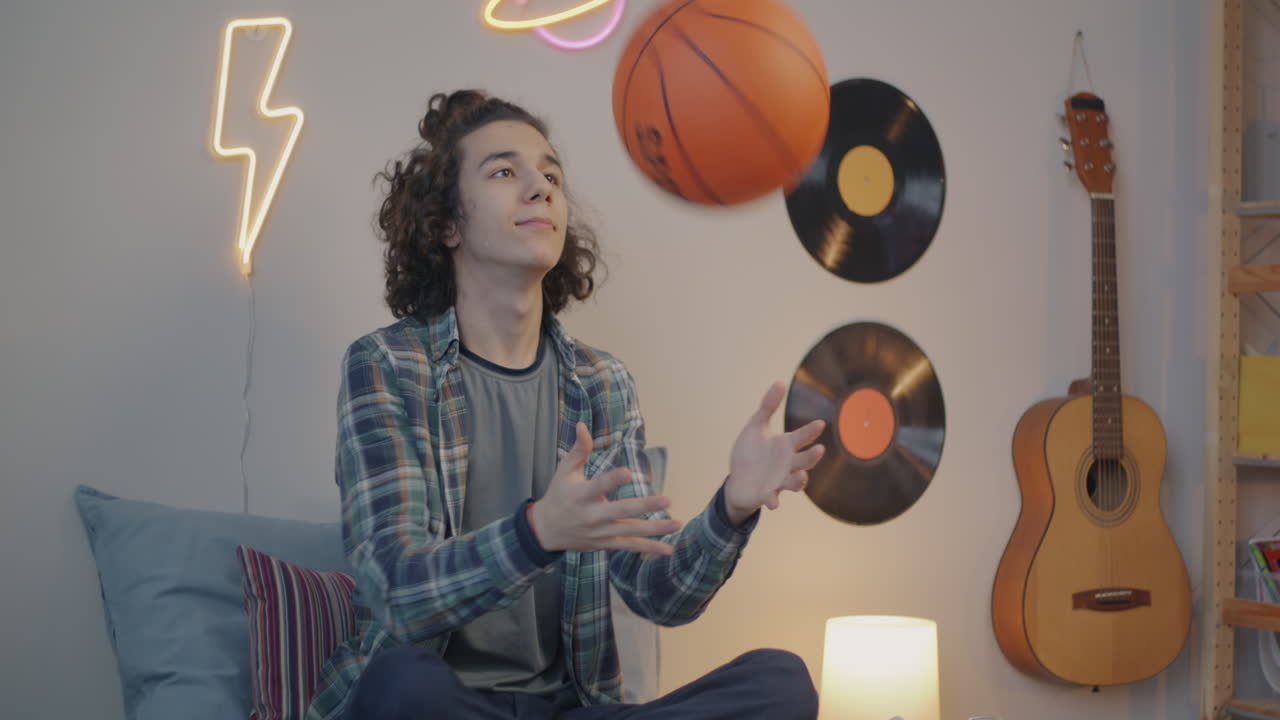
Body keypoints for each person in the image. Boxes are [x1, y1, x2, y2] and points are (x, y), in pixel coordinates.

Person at [305, 89, 827, 720]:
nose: (540, 187)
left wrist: (733, 506)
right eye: (504, 171)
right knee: (399, 685)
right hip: (441, 704)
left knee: (781, 682)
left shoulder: (602, 383)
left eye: (550, 173)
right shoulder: (387, 366)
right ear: (446, 225)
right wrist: (538, 533)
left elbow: (658, 596)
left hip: (568, 709)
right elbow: (396, 593)